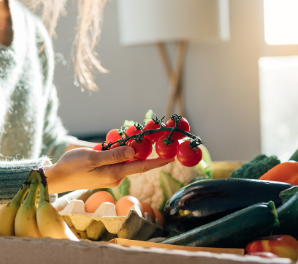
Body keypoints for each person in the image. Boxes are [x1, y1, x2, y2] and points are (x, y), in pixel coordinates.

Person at [0, 0, 174, 203]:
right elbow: (53, 170)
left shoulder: (32, 31)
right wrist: (52, 177)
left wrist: (111, 154)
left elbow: (47, 141)